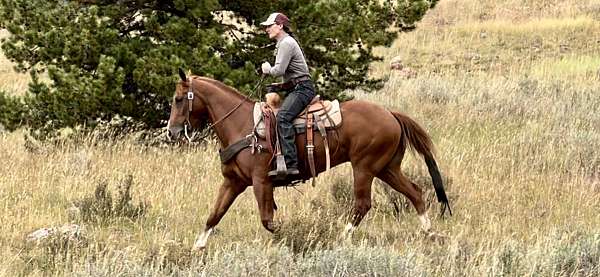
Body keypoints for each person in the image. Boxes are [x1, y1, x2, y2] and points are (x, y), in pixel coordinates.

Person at [260, 12, 315, 178]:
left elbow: (279, 70)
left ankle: (291, 164)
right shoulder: (283, 43)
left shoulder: (286, 43)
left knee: (282, 117)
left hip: (302, 89)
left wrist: (267, 69)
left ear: (280, 26)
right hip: (297, 88)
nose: (267, 29)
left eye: (270, 26)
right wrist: (279, 85)